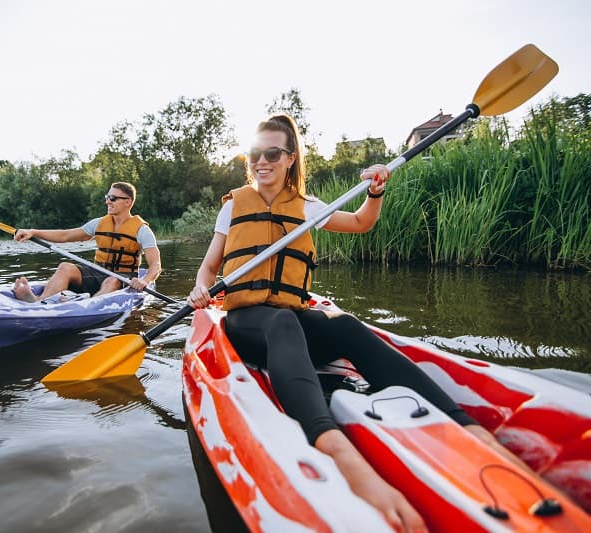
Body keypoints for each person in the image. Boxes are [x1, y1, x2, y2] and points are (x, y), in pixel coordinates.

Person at [186, 114, 525, 532]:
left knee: (343, 325)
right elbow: (208, 268)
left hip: (291, 315)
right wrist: (200, 291)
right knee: (282, 324)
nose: (262, 161)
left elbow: (363, 222)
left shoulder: (308, 208)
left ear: (290, 158)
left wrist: (376, 192)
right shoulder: (234, 204)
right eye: (255, 153)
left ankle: (466, 426)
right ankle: (336, 449)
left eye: (272, 153)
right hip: (249, 323)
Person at [12, 182, 161, 302]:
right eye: (107, 197)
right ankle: (40, 303)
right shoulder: (98, 223)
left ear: (128, 202)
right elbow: (65, 235)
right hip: (98, 272)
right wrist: (33, 232)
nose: (107, 201)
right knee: (65, 267)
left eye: (113, 198)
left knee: (112, 280)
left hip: (123, 278)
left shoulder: (142, 230)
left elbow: (156, 265)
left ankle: (84, 306)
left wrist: (145, 280)